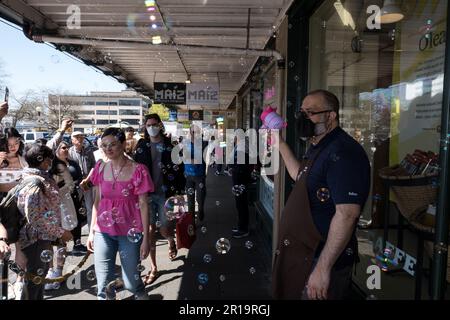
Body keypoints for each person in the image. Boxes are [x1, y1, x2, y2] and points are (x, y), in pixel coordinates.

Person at [271, 90, 370, 300]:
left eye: (311, 112)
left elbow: (347, 214)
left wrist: (323, 269)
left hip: (321, 261)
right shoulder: (319, 146)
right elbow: (301, 176)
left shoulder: (343, 152)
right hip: (305, 256)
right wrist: (279, 143)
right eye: (301, 112)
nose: (304, 118)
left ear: (331, 116)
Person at [86, 128, 152, 300]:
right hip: (103, 231)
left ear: (123, 144)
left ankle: (141, 293)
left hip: (130, 232)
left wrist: (146, 238)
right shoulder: (100, 168)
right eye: (104, 145)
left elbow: (144, 204)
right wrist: (92, 230)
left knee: (131, 283)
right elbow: (97, 201)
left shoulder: (139, 170)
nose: (108, 149)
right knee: (103, 284)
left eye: (113, 144)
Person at [16, 143, 73, 300]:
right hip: (35, 239)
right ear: (42, 160)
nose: (51, 162)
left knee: (37, 281)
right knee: (34, 283)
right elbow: (34, 217)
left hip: (41, 238)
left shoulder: (36, 177)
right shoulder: (35, 182)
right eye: (49, 158)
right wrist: (60, 232)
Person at [134, 114, 185, 285]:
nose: (151, 127)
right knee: (149, 231)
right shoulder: (141, 145)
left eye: (154, 124)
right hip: (147, 195)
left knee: (164, 229)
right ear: (145, 127)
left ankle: (170, 240)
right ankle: (154, 267)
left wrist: (179, 193)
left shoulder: (171, 146)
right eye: (148, 125)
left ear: (160, 125)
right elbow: (136, 169)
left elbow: (179, 170)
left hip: (165, 194)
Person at [0, 127, 28, 299]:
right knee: (3, 249)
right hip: (2, 206)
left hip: (21, 207)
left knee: (21, 246)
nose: (13, 147)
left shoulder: (24, 160)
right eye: (9, 143)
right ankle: (5, 285)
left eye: (16, 142)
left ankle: (19, 281)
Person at [69, 131, 96, 232]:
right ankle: (76, 235)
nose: (80, 139)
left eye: (81, 137)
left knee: (90, 208)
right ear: (72, 139)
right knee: (75, 209)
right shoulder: (69, 152)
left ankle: (91, 231)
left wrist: (87, 179)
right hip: (75, 184)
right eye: (77, 137)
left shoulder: (89, 151)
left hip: (88, 183)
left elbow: (94, 166)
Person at [230, 135, 252, 239]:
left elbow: (241, 167)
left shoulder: (242, 148)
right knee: (241, 204)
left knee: (241, 204)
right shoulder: (242, 146)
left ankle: (243, 229)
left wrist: (233, 170)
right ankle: (241, 226)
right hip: (240, 180)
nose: (234, 138)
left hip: (240, 181)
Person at [184, 124, 208, 222]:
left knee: (200, 198)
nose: (194, 134)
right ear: (190, 132)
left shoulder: (204, 144)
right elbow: (184, 157)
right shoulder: (186, 143)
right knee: (190, 200)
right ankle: (191, 221)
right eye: (193, 132)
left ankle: (201, 211)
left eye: (196, 132)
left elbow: (201, 158)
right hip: (189, 175)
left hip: (200, 175)